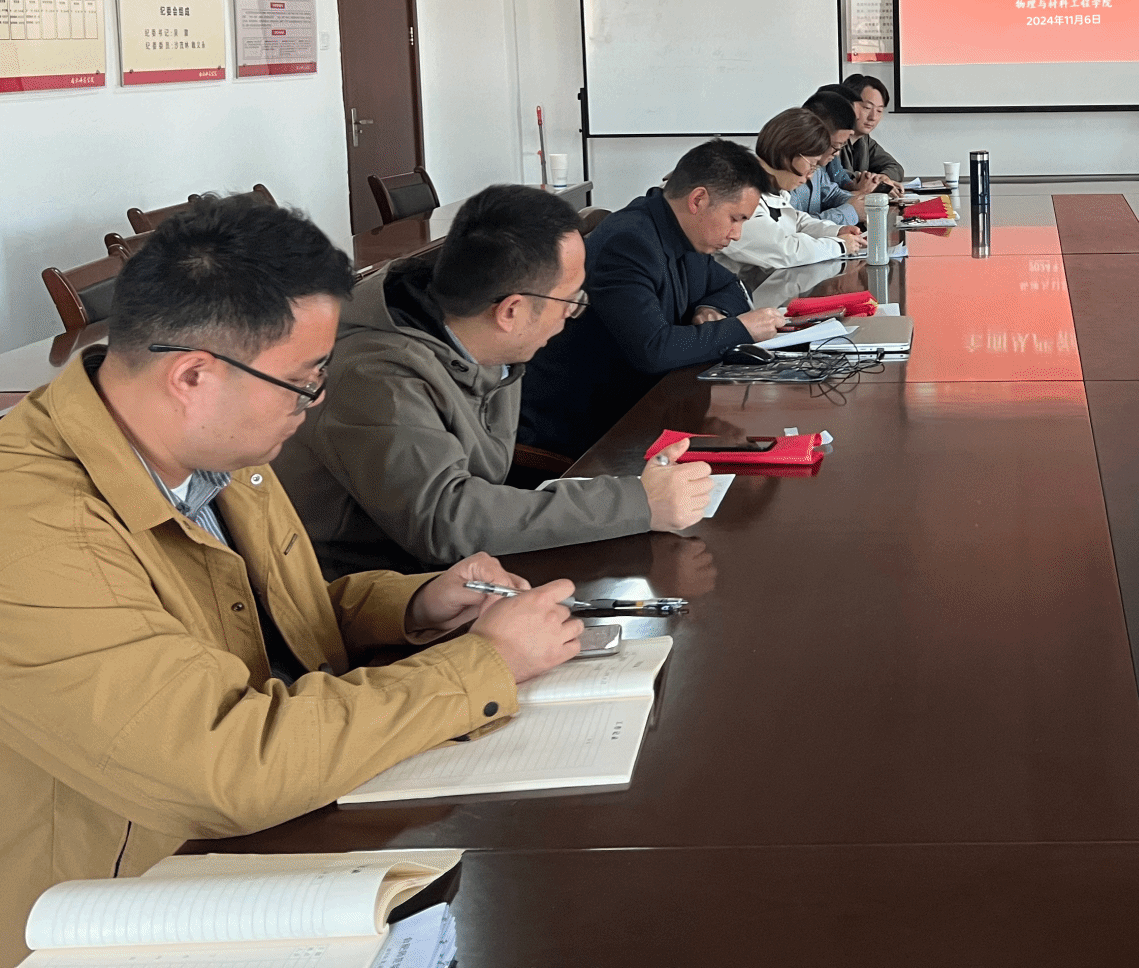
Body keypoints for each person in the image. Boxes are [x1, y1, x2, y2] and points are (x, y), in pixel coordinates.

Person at [0, 197, 585, 965]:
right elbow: (218, 765)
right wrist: (484, 665)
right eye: (304, 381)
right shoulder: (32, 524)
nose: (316, 402)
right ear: (193, 376)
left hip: (271, 832)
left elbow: (264, 613)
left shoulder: (214, 445)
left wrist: (414, 602)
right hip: (116, 907)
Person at [273, 185, 717, 579]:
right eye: (570, 301)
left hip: (457, 572)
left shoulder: (482, 339)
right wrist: (636, 502)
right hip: (374, 597)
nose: (573, 315)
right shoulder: (376, 376)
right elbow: (445, 519)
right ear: (511, 311)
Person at [518, 140, 788, 458]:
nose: (737, 234)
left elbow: (730, 285)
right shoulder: (629, 243)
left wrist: (711, 308)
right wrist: (741, 329)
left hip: (648, 404)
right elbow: (653, 350)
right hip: (590, 430)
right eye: (735, 218)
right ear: (698, 200)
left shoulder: (686, 234)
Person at [723, 108, 866, 272]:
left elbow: (797, 222)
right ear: (787, 153)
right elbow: (784, 251)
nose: (810, 176)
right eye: (812, 165)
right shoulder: (741, 194)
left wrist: (836, 231)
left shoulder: (773, 189)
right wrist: (839, 245)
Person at [789, 88, 871, 228]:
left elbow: (831, 194)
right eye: (836, 146)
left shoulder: (817, 168)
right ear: (817, 134)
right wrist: (850, 212)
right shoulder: (785, 172)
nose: (837, 154)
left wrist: (862, 202)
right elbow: (796, 226)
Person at [839, 73, 906, 186]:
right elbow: (833, 175)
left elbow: (895, 168)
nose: (873, 117)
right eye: (867, 108)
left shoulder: (864, 140)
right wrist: (872, 182)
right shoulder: (830, 137)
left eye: (879, 111)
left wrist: (883, 178)